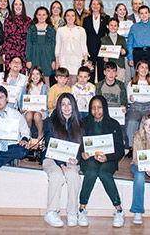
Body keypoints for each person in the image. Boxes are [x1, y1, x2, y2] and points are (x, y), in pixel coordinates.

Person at [78, 95, 125, 228]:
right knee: (92, 172)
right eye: (93, 108)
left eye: (99, 107)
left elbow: (120, 149)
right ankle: (81, 209)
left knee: (104, 174)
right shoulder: (84, 122)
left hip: (108, 159)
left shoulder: (113, 123)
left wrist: (108, 157)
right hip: (89, 159)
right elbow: (78, 143)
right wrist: (82, 153)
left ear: (104, 108)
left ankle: (119, 209)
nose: (96, 111)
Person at [42, 93, 85, 228]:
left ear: (74, 106)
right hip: (52, 158)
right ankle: (51, 212)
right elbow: (50, 144)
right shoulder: (51, 122)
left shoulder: (80, 123)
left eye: (69, 104)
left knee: (73, 176)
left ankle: (72, 212)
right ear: (59, 106)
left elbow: (82, 146)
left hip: (70, 160)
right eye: (63, 104)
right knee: (56, 176)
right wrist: (61, 165)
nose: (66, 107)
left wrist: (77, 160)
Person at [126, 60, 150, 150]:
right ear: (136, 70)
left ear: (149, 71)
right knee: (132, 121)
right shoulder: (131, 83)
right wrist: (131, 99)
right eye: (142, 67)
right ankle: (131, 146)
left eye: (146, 68)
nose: (144, 70)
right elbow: (129, 100)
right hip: (135, 107)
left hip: (148, 107)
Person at [126, 5, 150, 81]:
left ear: (149, 14)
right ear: (138, 15)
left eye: (146, 13)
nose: (144, 15)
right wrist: (130, 58)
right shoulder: (134, 27)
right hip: (138, 53)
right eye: (141, 13)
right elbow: (129, 43)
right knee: (138, 75)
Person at [96, 61, 128, 145]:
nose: (111, 74)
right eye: (108, 71)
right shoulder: (99, 85)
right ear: (104, 72)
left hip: (117, 112)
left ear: (116, 73)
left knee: (123, 124)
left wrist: (124, 106)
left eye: (113, 71)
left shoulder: (121, 85)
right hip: (104, 111)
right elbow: (97, 101)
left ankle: (123, 144)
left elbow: (124, 100)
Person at [55, 9, 88, 85]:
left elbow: (84, 46)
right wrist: (57, 61)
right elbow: (58, 46)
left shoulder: (81, 30)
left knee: (75, 83)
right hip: (64, 59)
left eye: (72, 15)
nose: (70, 18)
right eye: (68, 15)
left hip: (77, 60)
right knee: (64, 81)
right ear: (65, 17)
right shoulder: (60, 30)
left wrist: (85, 61)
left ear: (75, 17)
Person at [0, 0, 32, 73]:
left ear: (23, 7)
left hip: (23, 49)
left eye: (20, 4)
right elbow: (6, 36)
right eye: (16, 4)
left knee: (22, 73)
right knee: (10, 73)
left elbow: (30, 39)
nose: (18, 7)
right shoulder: (8, 20)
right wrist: (4, 52)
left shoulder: (28, 20)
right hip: (10, 49)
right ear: (13, 7)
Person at [26, 7, 56, 84]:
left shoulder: (51, 28)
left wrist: (53, 60)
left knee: (46, 78)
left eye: (44, 15)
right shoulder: (32, 28)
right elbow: (28, 44)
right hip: (34, 55)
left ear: (47, 16)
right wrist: (28, 59)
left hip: (47, 56)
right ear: (36, 15)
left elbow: (54, 45)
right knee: (34, 78)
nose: (41, 17)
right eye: (39, 14)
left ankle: (47, 96)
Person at [82, 0, 109, 82]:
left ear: (101, 6)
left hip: (102, 49)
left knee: (102, 72)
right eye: (93, 4)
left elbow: (108, 35)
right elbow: (84, 36)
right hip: (90, 49)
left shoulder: (106, 18)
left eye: (98, 4)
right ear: (90, 6)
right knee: (90, 72)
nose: (95, 6)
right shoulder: (86, 19)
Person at [20, 66, 49, 139]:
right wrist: (22, 108)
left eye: (37, 74)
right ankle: (27, 133)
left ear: (41, 75)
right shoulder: (26, 87)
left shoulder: (45, 88)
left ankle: (40, 135)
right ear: (30, 75)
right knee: (28, 115)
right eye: (33, 74)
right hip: (28, 110)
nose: (35, 76)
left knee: (37, 116)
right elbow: (21, 100)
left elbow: (48, 100)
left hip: (41, 110)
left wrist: (46, 108)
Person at [100, 18, 128, 82]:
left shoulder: (122, 38)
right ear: (107, 26)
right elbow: (102, 53)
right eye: (111, 25)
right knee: (109, 83)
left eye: (115, 25)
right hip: (109, 65)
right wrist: (104, 58)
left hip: (120, 65)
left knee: (120, 83)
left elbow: (126, 51)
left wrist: (124, 51)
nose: (113, 27)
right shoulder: (103, 39)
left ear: (118, 27)